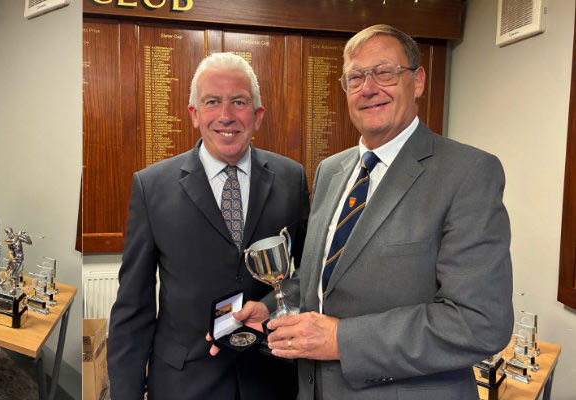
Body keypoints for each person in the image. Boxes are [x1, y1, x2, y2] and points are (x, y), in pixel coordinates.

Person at [225, 24, 513, 399]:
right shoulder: (331, 170)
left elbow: (480, 323)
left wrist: (341, 339)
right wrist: (274, 308)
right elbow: (322, 281)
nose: (369, 88)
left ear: (418, 81)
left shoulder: (468, 173)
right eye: (356, 77)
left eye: (385, 72)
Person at [106, 52, 306, 400]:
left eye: (239, 102)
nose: (226, 116)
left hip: (271, 377)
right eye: (212, 101)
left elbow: (308, 275)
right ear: (194, 115)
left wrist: (274, 308)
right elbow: (132, 307)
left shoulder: (292, 178)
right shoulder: (151, 187)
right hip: (184, 381)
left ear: (257, 116)